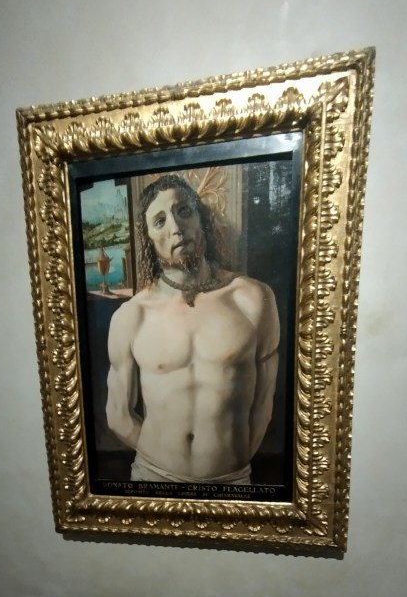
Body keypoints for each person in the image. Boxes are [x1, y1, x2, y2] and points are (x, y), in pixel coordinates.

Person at [106, 174, 280, 485]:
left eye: (183, 211)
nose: (176, 227)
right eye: (160, 221)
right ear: (148, 237)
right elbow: (118, 414)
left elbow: (264, 404)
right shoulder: (131, 316)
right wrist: (161, 460)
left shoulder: (253, 298)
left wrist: (233, 462)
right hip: (153, 476)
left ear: (201, 218)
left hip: (231, 481)